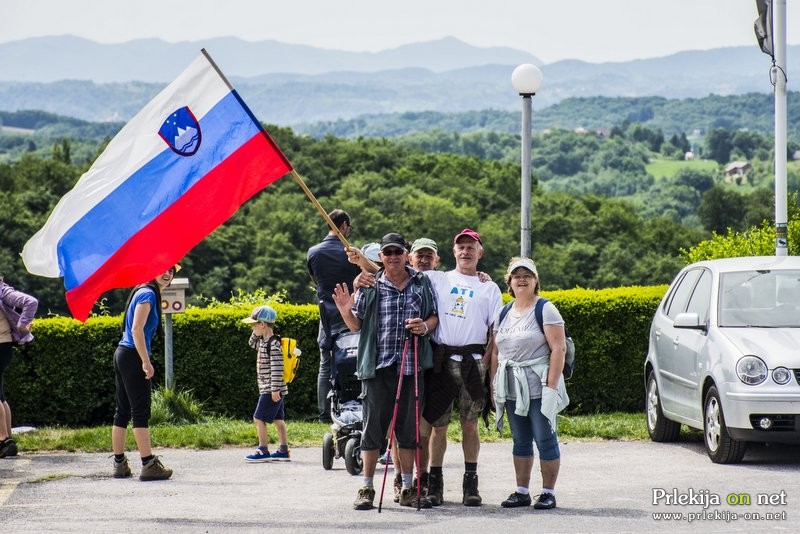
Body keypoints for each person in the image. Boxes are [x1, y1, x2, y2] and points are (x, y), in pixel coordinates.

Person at [332, 232, 438, 511]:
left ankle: (406, 487)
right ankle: (366, 487)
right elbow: (356, 326)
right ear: (381, 257)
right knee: (372, 431)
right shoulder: (370, 285)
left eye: (397, 252)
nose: (393, 257)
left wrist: (424, 327)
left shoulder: (422, 282)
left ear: (406, 253)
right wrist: (345, 309)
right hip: (377, 368)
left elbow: (434, 316)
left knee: (407, 431)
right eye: (387, 253)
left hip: (411, 367)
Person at [421, 229, 502, 507]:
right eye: (461, 247)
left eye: (471, 247)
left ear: (480, 253)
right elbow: (395, 271)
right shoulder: (438, 278)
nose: (466, 251)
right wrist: (361, 263)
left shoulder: (489, 288)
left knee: (470, 425)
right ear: (453, 252)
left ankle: (471, 485)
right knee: (438, 426)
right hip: (443, 361)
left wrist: (490, 368)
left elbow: (496, 333)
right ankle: (435, 485)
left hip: (473, 362)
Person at [490, 257, 568, 510]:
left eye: (527, 275)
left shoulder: (545, 308)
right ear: (509, 282)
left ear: (536, 281)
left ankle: (547, 492)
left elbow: (559, 348)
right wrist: (494, 385)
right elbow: (495, 353)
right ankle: (522, 491)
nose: (521, 279)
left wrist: (551, 387)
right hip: (511, 388)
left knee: (545, 439)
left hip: (540, 386)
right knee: (520, 441)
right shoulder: (503, 311)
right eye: (516, 276)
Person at [111, 267, 176, 481]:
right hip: (132, 355)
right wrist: (145, 361)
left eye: (172, 271)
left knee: (123, 411)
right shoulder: (148, 293)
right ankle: (148, 464)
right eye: (163, 270)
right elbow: (137, 329)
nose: (167, 274)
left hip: (123, 353)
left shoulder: (141, 289)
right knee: (140, 412)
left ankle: (119, 464)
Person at [307, 209, 361, 423]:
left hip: (325, 313)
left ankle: (323, 413)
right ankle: (352, 404)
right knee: (352, 360)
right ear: (345, 225)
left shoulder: (313, 252)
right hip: (349, 311)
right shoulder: (351, 252)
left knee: (325, 364)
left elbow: (315, 280)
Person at [242, 305, 291, 462]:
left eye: (253, 325)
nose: (252, 327)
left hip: (271, 389)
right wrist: (255, 333)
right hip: (272, 389)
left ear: (262, 324)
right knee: (278, 419)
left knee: (258, 418)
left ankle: (263, 450)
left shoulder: (273, 345)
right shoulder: (264, 342)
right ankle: (283, 450)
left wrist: (274, 389)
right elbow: (251, 343)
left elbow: (277, 368)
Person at [0, 274, 38, 459]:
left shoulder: (2, 290)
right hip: (4, 347)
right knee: (1, 396)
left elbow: (31, 302)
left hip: (1, 346)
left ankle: (3, 440)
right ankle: (8, 441)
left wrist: (23, 326)